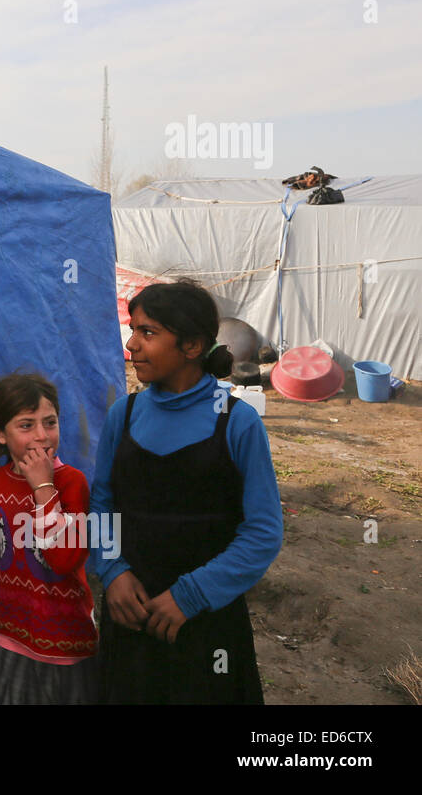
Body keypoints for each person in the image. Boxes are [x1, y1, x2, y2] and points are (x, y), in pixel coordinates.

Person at [90, 280, 282, 704]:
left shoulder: (236, 423)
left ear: (193, 346)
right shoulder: (124, 415)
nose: (132, 344)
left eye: (148, 333)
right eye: (134, 330)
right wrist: (112, 572)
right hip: (130, 616)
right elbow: (100, 504)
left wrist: (190, 595)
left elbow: (263, 532)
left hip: (206, 622)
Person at [0, 373, 99, 704]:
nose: (41, 436)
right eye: (26, 425)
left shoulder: (71, 484)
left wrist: (43, 488)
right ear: (0, 434)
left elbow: (64, 560)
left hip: (65, 643)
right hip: (12, 634)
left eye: (50, 423)